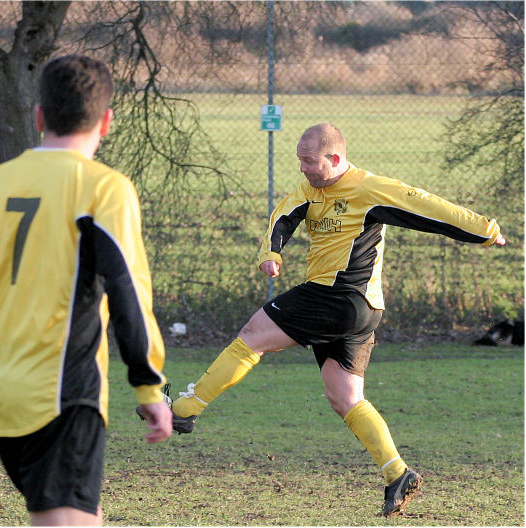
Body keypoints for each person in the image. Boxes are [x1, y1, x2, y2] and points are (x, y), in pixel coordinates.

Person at [144, 123, 506, 517]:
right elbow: (283, 217)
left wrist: (484, 231)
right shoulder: (310, 190)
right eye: (299, 159)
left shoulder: (369, 188)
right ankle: (397, 472)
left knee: (252, 336)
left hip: (338, 295)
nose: (302, 168)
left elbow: (426, 206)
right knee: (345, 397)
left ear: (334, 158)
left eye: (308, 160)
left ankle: (183, 411)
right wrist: (272, 253)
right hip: (359, 310)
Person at [0, 54, 173, 526]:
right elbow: (128, 290)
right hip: (62, 393)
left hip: (0, 392)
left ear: (39, 117)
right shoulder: (104, 188)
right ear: (107, 122)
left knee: (81, 513)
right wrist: (148, 383)